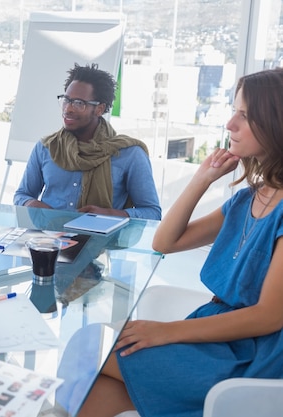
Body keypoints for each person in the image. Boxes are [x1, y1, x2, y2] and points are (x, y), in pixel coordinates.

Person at [78, 67, 283, 417]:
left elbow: (268, 317)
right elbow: (165, 241)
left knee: (88, 349)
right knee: (91, 387)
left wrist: (166, 332)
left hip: (248, 355)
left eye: (244, 115)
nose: (230, 124)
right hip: (213, 337)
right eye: (234, 111)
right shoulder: (247, 199)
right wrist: (201, 179)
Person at [13, 63, 161, 220]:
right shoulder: (46, 148)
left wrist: (112, 214)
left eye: (78, 103)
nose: (68, 109)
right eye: (66, 100)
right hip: (47, 240)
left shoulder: (129, 154)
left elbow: (152, 212)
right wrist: (30, 204)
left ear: (99, 109)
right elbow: (22, 195)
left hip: (102, 242)